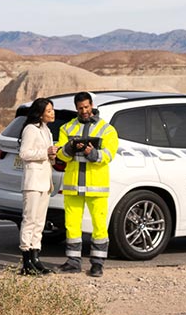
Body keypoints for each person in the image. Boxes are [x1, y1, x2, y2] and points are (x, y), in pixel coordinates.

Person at [55, 91, 118, 277]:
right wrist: (69, 148)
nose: (84, 111)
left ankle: (97, 264)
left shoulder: (106, 129)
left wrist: (93, 153)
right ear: (76, 108)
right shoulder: (67, 128)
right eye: (80, 108)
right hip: (73, 186)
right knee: (72, 225)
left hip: (96, 186)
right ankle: (73, 261)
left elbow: (109, 155)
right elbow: (60, 155)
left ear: (92, 106)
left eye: (86, 107)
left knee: (99, 226)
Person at [16, 97, 57, 275]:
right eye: (49, 111)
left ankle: (35, 257)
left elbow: (48, 156)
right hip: (32, 182)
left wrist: (53, 155)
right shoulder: (30, 129)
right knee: (30, 220)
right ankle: (26, 261)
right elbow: (24, 153)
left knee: (40, 222)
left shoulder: (47, 131)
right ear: (40, 114)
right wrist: (45, 152)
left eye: (52, 109)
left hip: (44, 182)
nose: (52, 113)